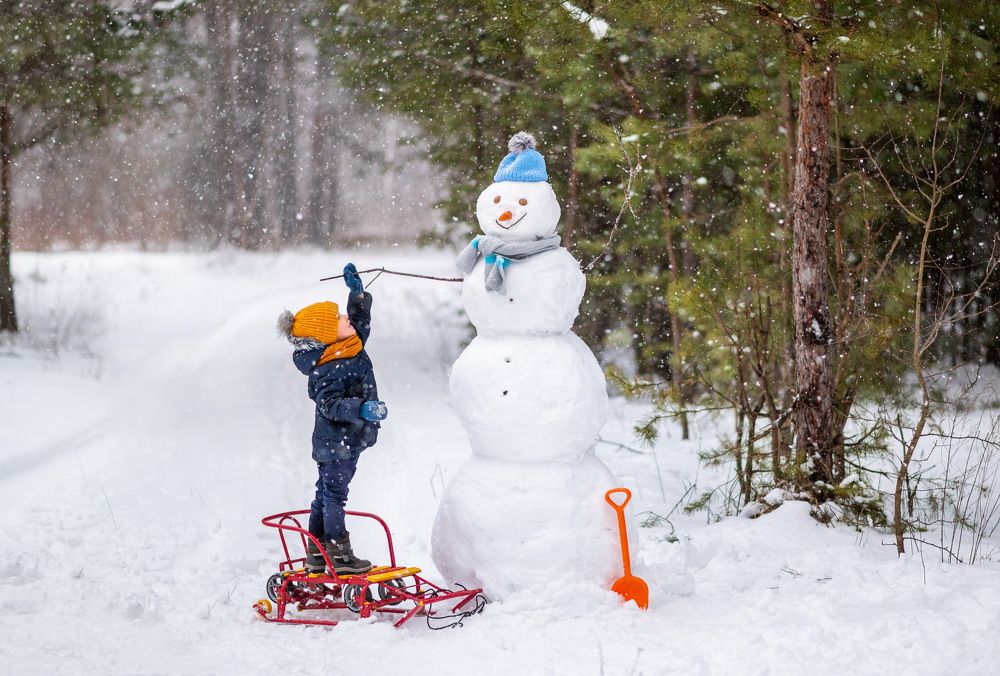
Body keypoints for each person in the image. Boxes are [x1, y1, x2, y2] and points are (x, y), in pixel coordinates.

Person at [276, 263, 388, 575]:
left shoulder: (347, 346)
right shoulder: (328, 366)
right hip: (335, 442)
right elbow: (329, 405)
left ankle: (317, 551)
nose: (347, 319)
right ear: (326, 337)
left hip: (344, 441)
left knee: (325, 493)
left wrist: (357, 294)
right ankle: (339, 553)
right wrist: (362, 408)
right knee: (334, 495)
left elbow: (361, 322)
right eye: (339, 319)